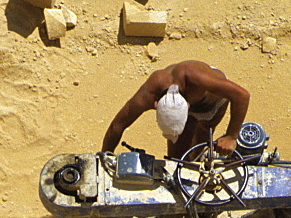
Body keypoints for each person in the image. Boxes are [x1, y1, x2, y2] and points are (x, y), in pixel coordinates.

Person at [101, 60, 250, 160]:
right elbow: (117, 125)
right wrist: (105, 159)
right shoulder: (150, 92)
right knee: (178, 161)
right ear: (155, 104)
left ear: (188, 107)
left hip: (212, 104)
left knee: (203, 136)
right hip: (189, 106)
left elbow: (242, 96)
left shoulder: (198, 78)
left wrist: (231, 136)